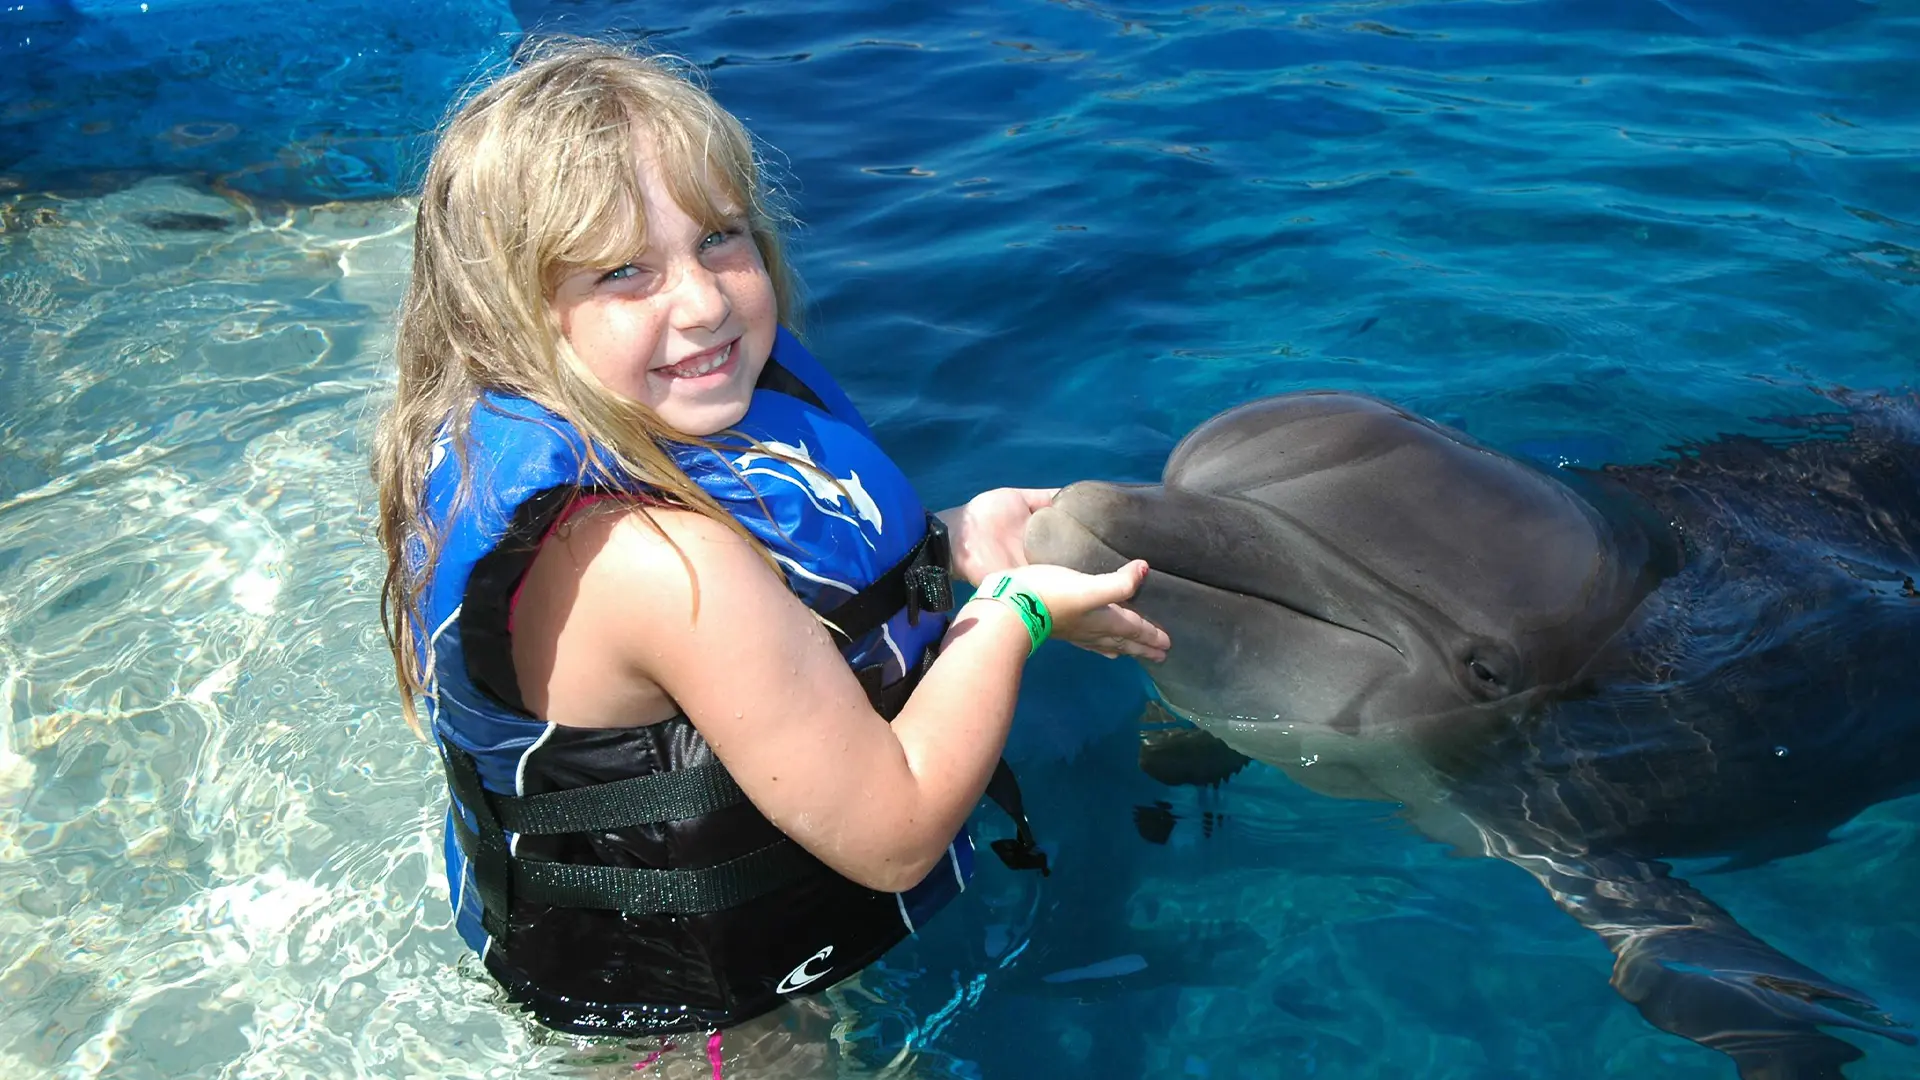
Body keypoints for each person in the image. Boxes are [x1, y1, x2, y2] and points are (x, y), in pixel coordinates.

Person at [370, 34, 1170, 1074]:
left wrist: (946, 548)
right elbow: (895, 829)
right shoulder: (653, 559)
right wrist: (1015, 616)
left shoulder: (587, 435)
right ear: (508, 307)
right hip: (708, 1028)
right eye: (623, 272)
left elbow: (794, 613)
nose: (701, 302)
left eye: (720, 241)